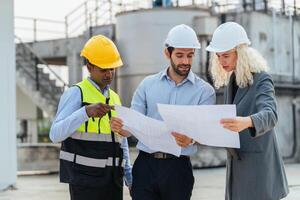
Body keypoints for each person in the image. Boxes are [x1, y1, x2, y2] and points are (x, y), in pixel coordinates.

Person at [110, 24, 216, 200]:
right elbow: (132, 125)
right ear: (167, 53)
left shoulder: (205, 91)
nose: (185, 61)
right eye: (180, 55)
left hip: (178, 169)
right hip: (145, 166)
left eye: (190, 55)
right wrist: (121, 127)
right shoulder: (147, 85)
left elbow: (206, 132)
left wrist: (192, 139)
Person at [206, 22, 289, 200]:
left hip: (258, 170)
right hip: (237, 168)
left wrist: (247, 121)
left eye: (226, 56)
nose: (221, 62)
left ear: (241, 53)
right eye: (218, 56)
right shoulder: (232, 81)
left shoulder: (262, 79)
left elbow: (270, 114)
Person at [49, 35, 132, 200]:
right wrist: (85, 113)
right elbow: (55, 134)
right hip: (84, 183)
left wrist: (130, 178)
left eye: (112, 69)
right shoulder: (76, 93)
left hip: (112, 181)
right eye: (104, 69)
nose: (109, 74)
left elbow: (122, 142)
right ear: (89, 66)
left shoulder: (115, 98)